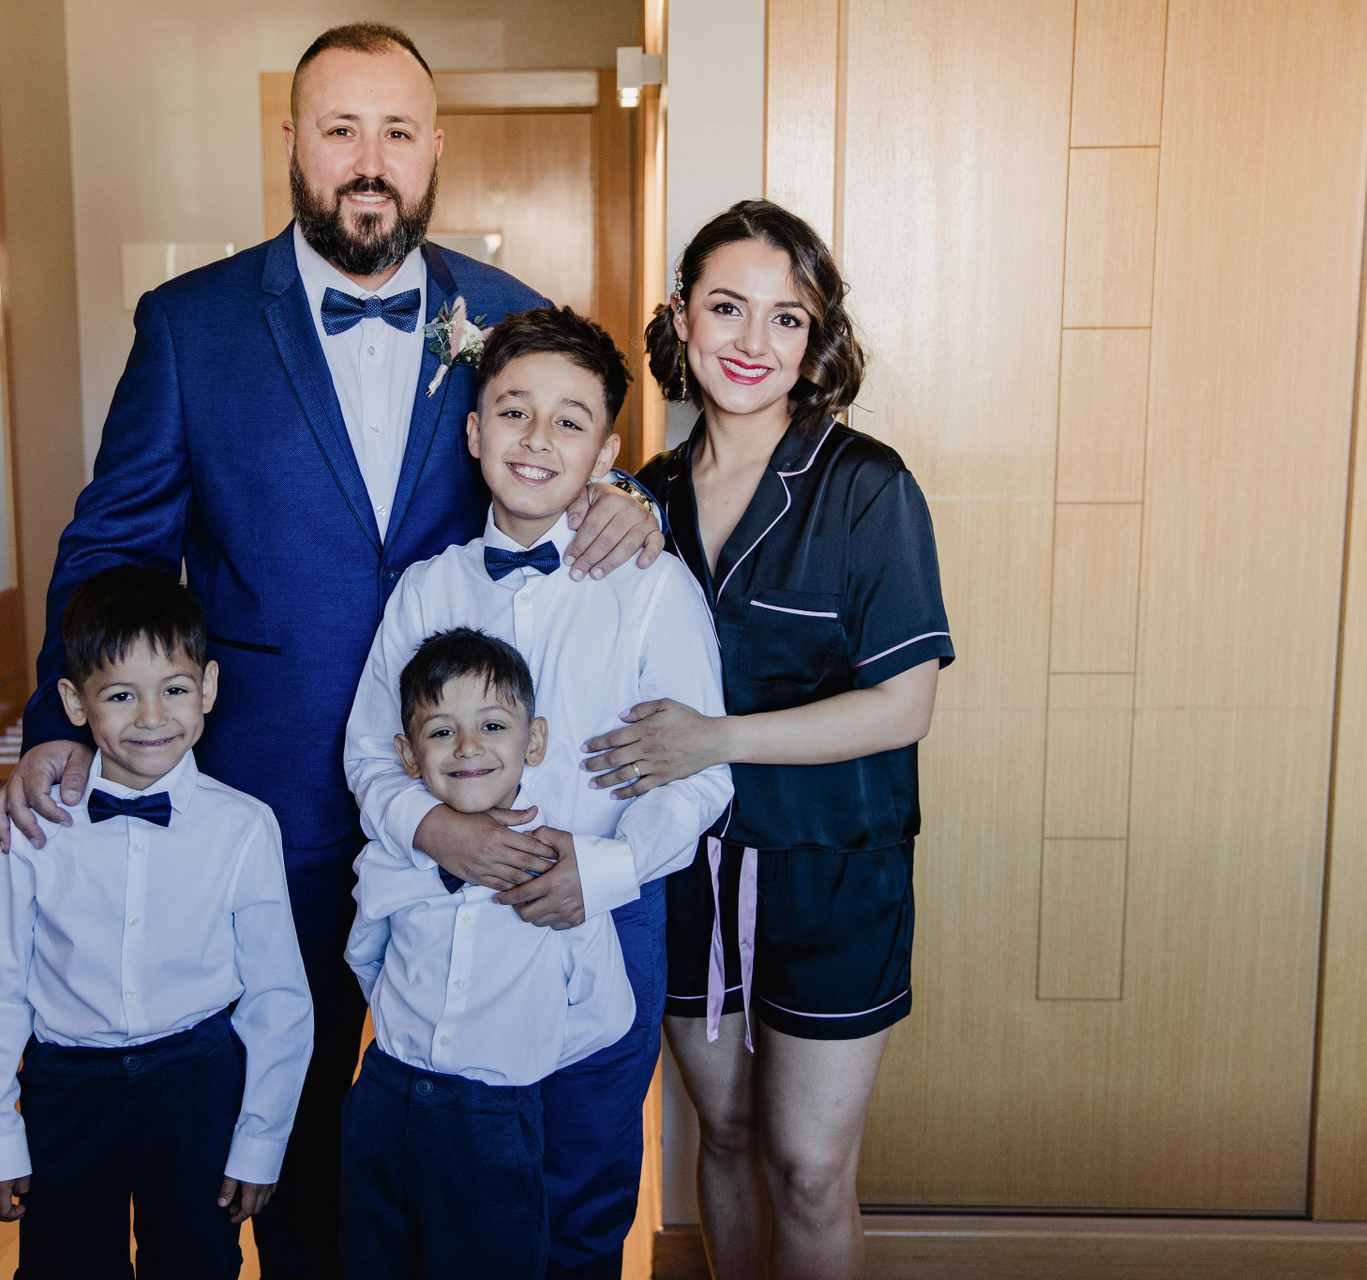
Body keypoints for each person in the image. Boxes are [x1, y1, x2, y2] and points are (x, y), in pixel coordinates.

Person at [0, 24, 662, 1277]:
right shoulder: (190, 325)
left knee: (465, 1109)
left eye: (396, 132)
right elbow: (112, 545)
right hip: (271, 792)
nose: (369, 160)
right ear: (292, 141)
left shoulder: (506, 315)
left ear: (435, 150)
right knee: (277, 1106)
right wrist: (53, 720)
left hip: (472, 792)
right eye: (341, 129)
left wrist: (637, 502)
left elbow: (570, 462)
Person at [581, 200, 953, 1280]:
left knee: (808, 1168)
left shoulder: (866, 487)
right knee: (727, 1135)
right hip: (684, 872)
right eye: (727, 308)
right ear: (681, 320)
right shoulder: (641, 499)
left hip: (835, 878)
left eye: (786, 318)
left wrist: (715, 739)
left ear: (814, 338)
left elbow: (903, 706)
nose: (752, 341)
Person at [345, 306, 734, 1277]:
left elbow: (701, 775)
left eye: (570, 420)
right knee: (441, 1203)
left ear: (607, 452)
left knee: (580, 1199)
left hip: (604, 915)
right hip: (446, 926)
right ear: (475, 431)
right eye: (514, 412)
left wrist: (602, 869)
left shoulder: (654, 588)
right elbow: (369, 753)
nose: (537, 439)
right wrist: (434, 829)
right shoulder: (428, 590)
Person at [0, 566, 313, 1279]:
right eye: (121, 695)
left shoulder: (244, 827)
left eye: (174, 689)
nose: (152, 717)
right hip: (67, 1089)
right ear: (75, 702)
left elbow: (278, 997)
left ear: (208, 688)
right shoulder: (34, 827)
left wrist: (260, 1140)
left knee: (195, 1264)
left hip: (196, 1084)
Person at [342, 627, 635, 1279]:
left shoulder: (562, 875)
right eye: (441, 731)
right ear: (408, 755)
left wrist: (520, 1059)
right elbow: (367, 957)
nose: (468, 747)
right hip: (383, 1100)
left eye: (493, 726)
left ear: (534, 741)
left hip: (496, 1118)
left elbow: (605, 1011)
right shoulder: (389, 860)